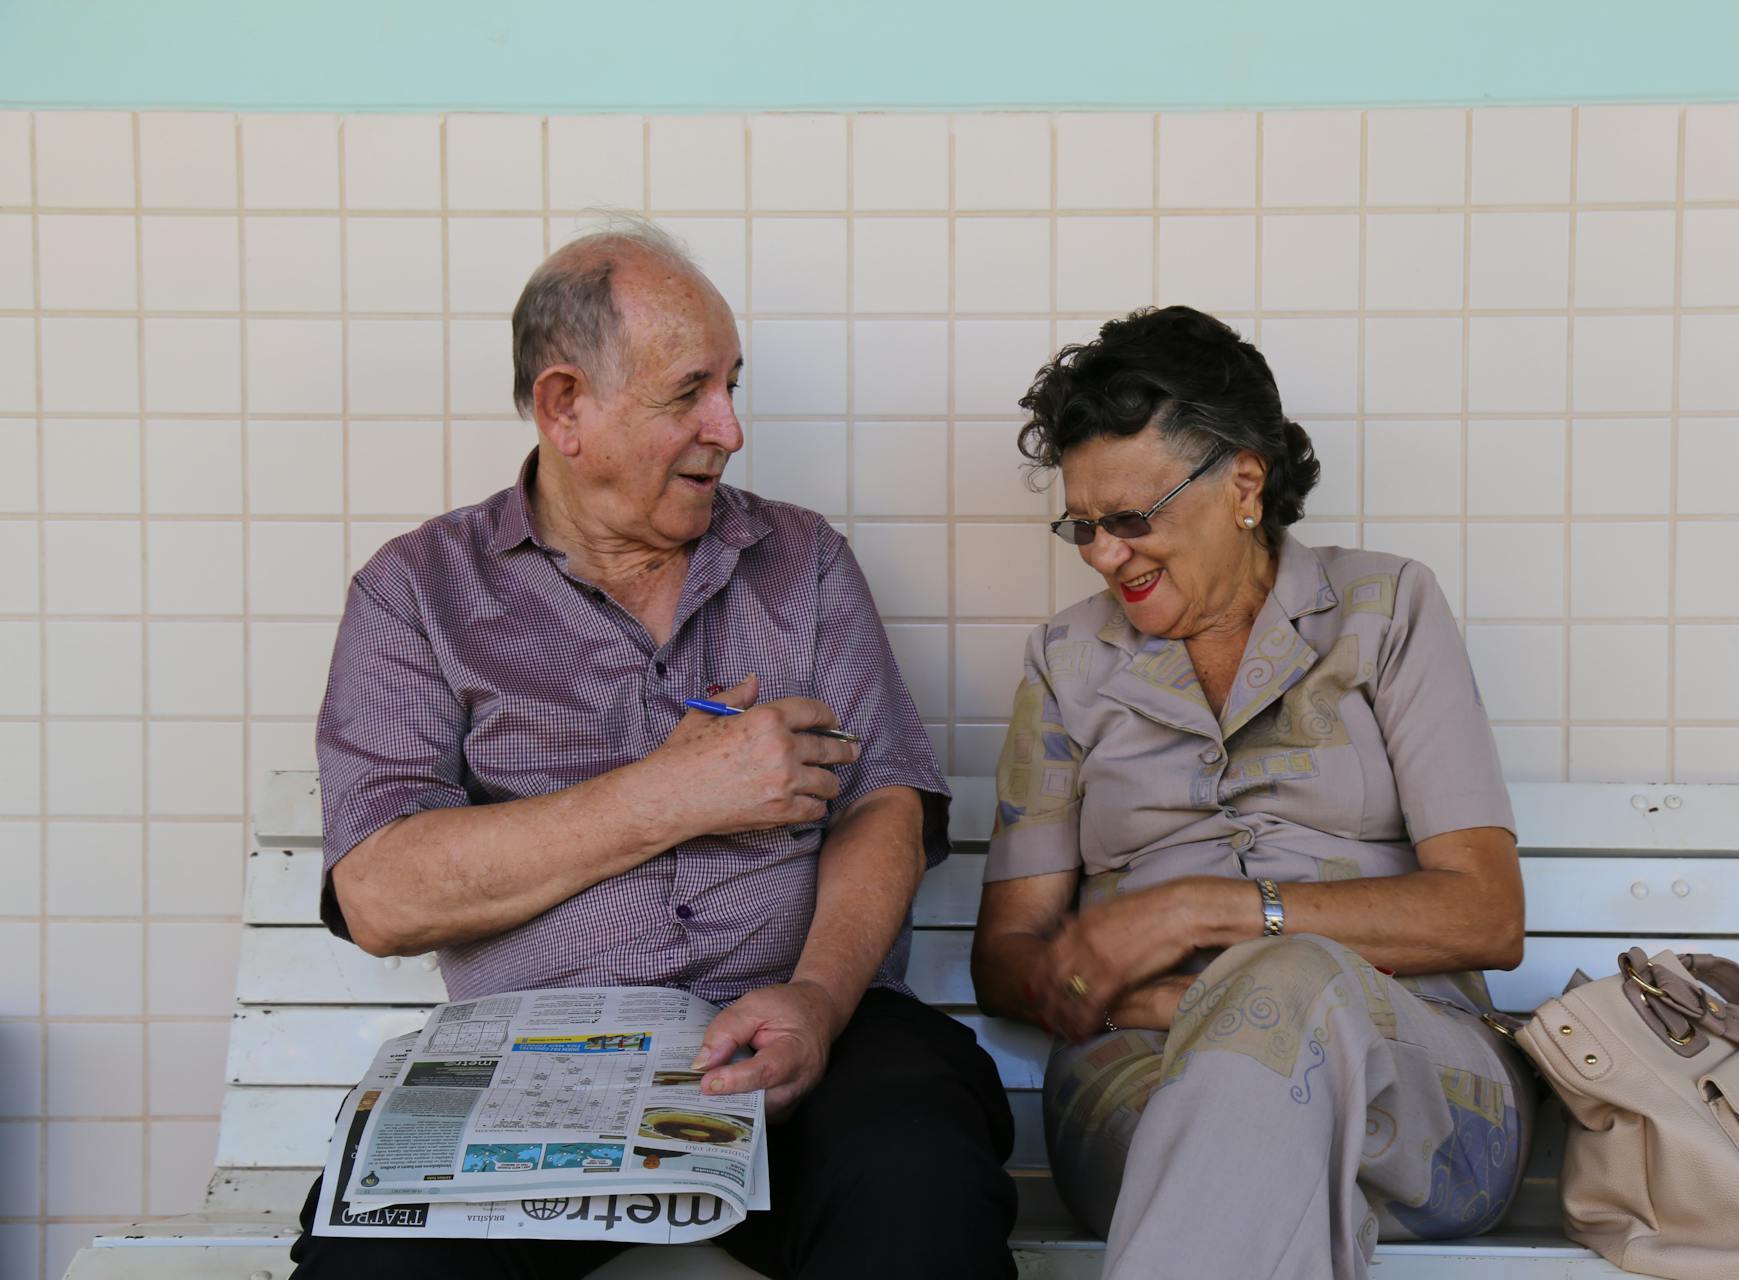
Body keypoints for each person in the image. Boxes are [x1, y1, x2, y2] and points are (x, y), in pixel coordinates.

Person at [290, 218, 1016, 1279]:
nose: (728, 426)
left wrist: (815, 998)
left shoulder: (800, 561)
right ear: (564, 405)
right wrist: (671, 793)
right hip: (532, 1065)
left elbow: (884, 803)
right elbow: (381, 895)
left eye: (732, 384)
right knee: (373, 1270)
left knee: (918, 1183)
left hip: (810, 1028)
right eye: (689, 392)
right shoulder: (416, 593)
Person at [969, 305, 1533, 1280]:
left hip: (1414, 1077)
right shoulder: (1066, 660)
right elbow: (1008, 955)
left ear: (1243, 482)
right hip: (1147, 1069)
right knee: (1263, 1127)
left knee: (1285, 992)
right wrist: (1162, 997)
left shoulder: (1386, 609)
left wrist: (1205, 916)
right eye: (1084, 525)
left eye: (1134, 519)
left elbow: (1487, 913)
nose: (1107, 554)